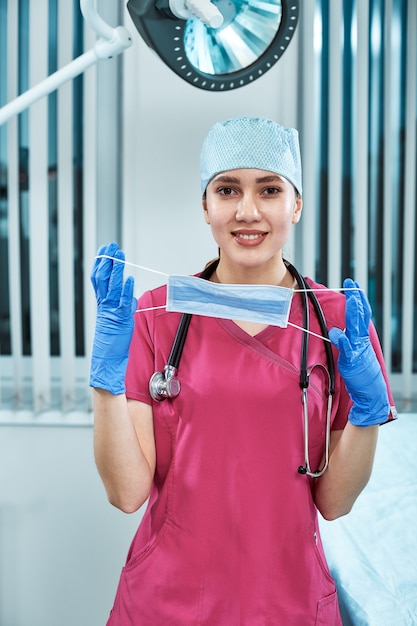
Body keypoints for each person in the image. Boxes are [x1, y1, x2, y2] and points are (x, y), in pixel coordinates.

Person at [90, 117, 396, 625]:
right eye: (227, 189)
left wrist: (366, 413)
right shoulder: (153, 315)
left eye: (270, 190)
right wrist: (105, 380)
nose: (247, 211)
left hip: (288, 603)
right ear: (206, 207)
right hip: (167, 603)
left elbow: (335, 503)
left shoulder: (341, 323)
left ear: (295, 205)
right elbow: (126, 494)